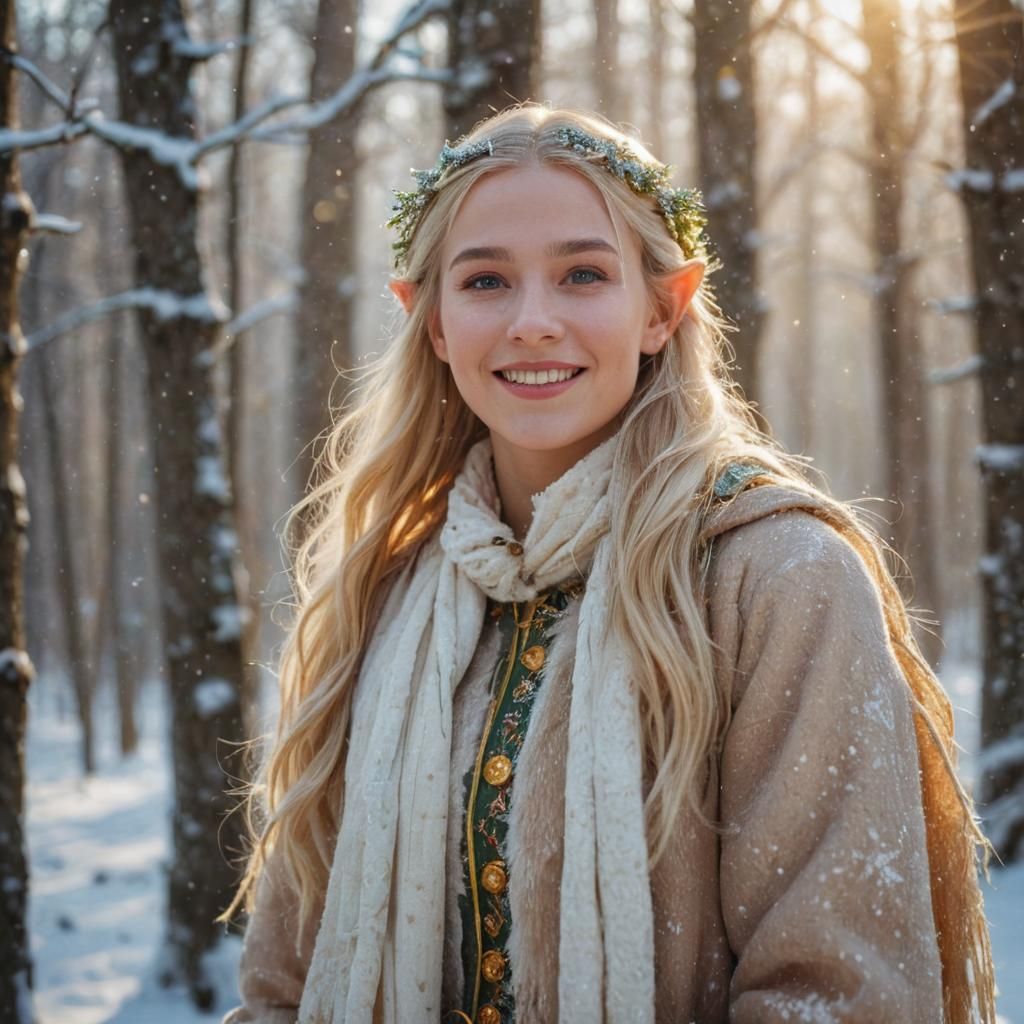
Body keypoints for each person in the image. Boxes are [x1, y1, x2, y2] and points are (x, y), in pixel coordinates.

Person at [221, 105, 995, 1024]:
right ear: (428, 321)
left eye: (584, 274)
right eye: (485, 281)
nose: (533, 322)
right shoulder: (381, 594)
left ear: (662, 310)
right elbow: (283, 990)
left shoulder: (778, 579)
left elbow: (838, 998)